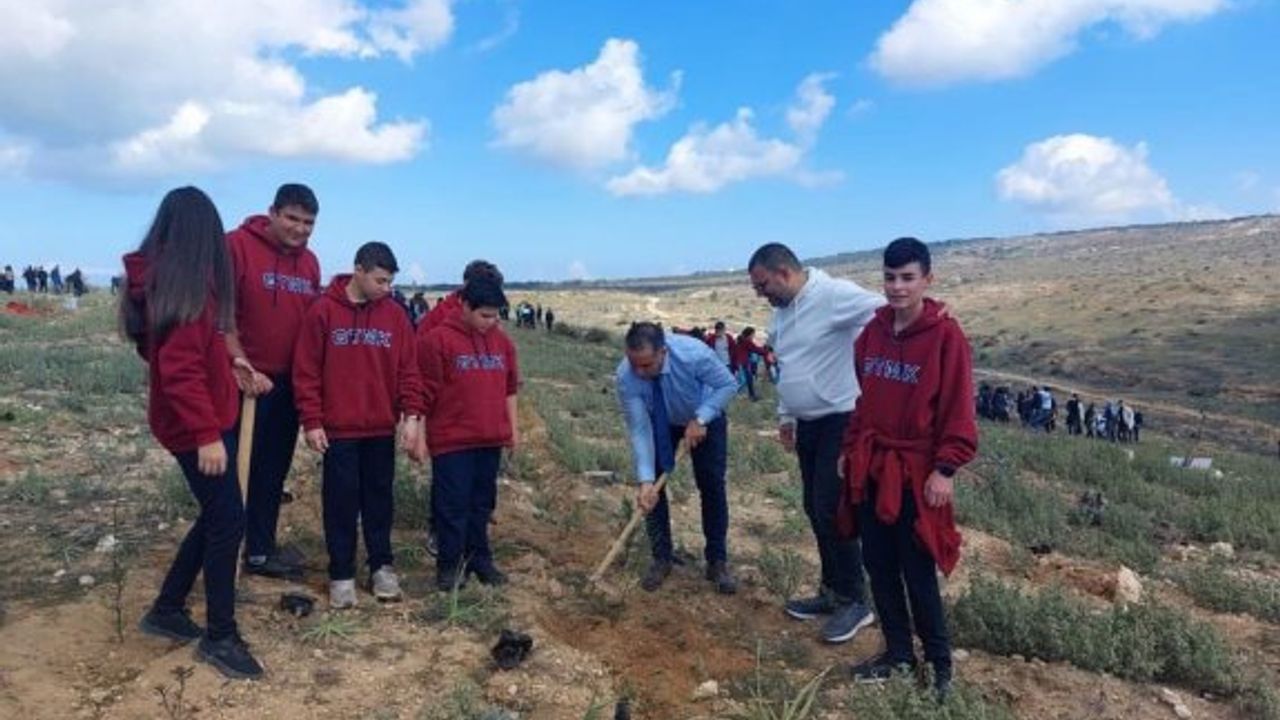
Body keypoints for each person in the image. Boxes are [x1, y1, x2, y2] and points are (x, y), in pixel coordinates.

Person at [121, 186, 263, 679]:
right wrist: (205, 433)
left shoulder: (168, 283)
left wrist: (232, 367)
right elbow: (178, 370)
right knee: (229, 521)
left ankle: (167, 609)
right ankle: (220, 635)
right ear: (205, 236)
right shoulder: (188, 289)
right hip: (193, 427)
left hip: (200, 416)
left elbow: (182, 355)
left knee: (218, 514)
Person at [839, 237, 977, 696]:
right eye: (890, 277)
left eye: (907, 278)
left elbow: (958, 407)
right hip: (874, 465)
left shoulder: (946, 336)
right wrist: (852, 448)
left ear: (927, 280)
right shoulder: (873, 333)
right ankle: (898, 653)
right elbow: (863, 398)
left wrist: (946, 469)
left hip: (918, 472)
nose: (897, 288)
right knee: (878, 563)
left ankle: (939, 667)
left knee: (917, 568)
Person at [747, 242, 880, 644]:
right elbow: (788, 366)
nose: (760, 293)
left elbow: (885, 311)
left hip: (841, 418)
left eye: (763, 284)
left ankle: (857, 601)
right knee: (813, 507)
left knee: (832, 508)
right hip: (806, 424)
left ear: (784, 272)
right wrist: (786, 416)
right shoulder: (781, 314)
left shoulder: (833, 295)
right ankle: (831, 591)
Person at [293, 242, 423, 608]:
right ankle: (341, 574)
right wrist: (311, 421)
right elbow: (306, 372)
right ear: (359, 271)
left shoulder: (396, 316)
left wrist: (411, 416)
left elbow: (409, 370)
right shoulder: (322, 313)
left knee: (380, 501)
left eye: (390, 282)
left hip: (380, 428)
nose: (386, 288)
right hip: (339, 431)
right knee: (340, 504)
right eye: (380, 280)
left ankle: (381, 566)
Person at [225, 183, 322, 580]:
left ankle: (260, 551)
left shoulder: (310, 263)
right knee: (234, 471)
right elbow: (221, 313)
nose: (299, 229)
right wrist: (238, 360)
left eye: (308, 222)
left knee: (271, 472)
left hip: (287, 385)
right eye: (292, 218)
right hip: (242, 380)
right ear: (272, 212)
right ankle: (223, 551)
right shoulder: (235, 246)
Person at [616, 322, 739, 594]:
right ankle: (661, 557)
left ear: (663, 352)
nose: (639, 372)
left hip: (706, 417)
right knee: (653, 492)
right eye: (634, 363)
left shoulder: (694, 355)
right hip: (660, 421)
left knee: (711, 485)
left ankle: (717, 561)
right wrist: (646, 480)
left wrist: (702, 417)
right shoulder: (626, 375)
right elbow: (639, 428)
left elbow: (728, 385)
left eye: (646, 365)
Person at [416, 277, 520, 590]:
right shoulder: (437, 342)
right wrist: (419, 436)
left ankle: (480, 559)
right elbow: (422, 394)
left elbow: (509, 389)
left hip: (490, 439)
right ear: (464, 307)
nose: (491, 322)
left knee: (482, 505)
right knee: (453, 506)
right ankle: (449, 565)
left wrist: (512, 431)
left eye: (496, 316)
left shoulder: (503, 343)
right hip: (452, 441)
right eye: (484, 316)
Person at [732, 327, 765, 402]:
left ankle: (752, 396)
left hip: (739, 363)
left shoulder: (740, 340)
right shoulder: (747, 341)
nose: (753, 336)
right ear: (749, 334)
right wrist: (765, 352)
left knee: (748, 380)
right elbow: (755, 349)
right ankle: (734, 395)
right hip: (743, 363)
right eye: (753, 334)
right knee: (744, 381)